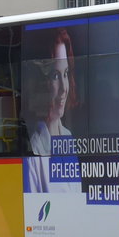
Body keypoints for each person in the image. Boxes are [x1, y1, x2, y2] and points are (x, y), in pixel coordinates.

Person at [24, 28, 78, 193]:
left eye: (66, 74)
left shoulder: (68, 137)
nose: (64, 89)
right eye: (55, 75)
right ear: (40, 81)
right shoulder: (32, 148)